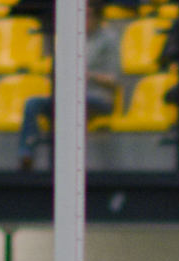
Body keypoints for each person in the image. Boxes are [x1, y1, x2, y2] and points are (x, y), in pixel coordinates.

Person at [18, 0, 120, 170]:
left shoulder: (109, 39)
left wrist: (87, 75)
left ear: (98, 17)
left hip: (98, 97)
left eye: (87, 15)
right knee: (33, 103)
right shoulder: (71, 38)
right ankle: (26, 153)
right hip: (69, 96)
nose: (83, 20)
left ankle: (69, 159)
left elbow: (114, 80)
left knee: (73, 103)